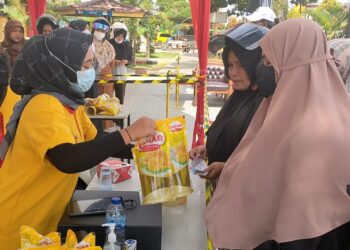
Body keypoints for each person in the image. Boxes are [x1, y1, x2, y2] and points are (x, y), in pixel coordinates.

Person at [0, 28, 156, 248]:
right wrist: (128, 132)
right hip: (16, 225)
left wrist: (142, 148)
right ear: (61, 67)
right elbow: (67, 159)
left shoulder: (70, 104)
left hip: (43, 225)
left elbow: (96, 143)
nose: (89, 72)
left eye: (91, 65)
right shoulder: (45, 105)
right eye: (84, 66)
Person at [206, 18, 350, 250]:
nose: (261, 69)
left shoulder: (307, 136)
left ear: (290, 64)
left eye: (268, 60)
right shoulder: (309, 113)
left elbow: (298, 227)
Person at [189, 24, 274, 182]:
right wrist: (207, 149)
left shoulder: (266, 105)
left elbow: (264, 164)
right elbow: (230, 138)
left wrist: (226, 168)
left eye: (241, 65)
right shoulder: (238, 97)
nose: (233, 72)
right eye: (230, 65)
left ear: (258, 65)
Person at [0, 20, 25, 133]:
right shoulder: (2, 49)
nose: (17, 34)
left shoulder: (27, 48)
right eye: (14, 31)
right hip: (5, 93)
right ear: (8, 31)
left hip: (24, 91)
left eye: (20, 31)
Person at [109, 22, 133, 104]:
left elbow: (131, 60)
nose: (120, 38)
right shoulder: (109, 43)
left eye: (122, 36)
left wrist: (126, 62)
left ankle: (119, 109)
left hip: (122, 72)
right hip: (110, 71)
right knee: (108, 95)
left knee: (120, 95)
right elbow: (104, 58)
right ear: (114, 34)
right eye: (119, 36)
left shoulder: (127, 45)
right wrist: (114, 61)